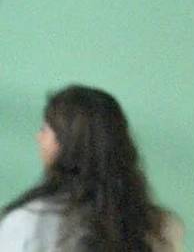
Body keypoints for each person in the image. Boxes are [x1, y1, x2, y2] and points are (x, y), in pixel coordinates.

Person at [0, 85, 184, 251]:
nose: (39, 137)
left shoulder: (27, 223)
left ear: (64, 142)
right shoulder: (162, 227)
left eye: (45, 129)